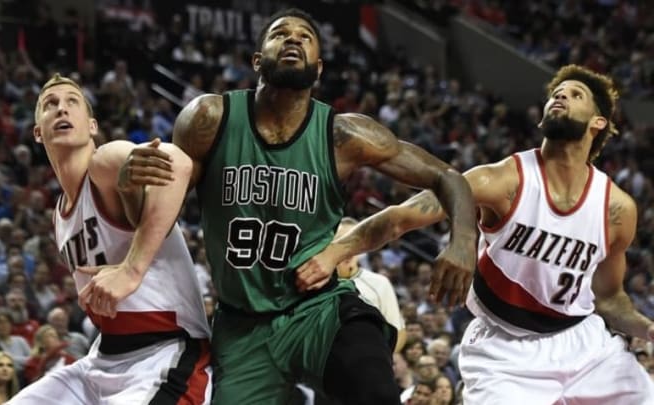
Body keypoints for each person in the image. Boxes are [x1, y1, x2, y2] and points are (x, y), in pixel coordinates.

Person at [112, 8, 477, 404]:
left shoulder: (343, 134)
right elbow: (153, 225)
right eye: (280, 34)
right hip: (241, 325)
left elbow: (448, 177)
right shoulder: (210, 118)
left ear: (318, 68)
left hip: (317, 310)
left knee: (373, 387)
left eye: (304, 36)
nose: (292, 39)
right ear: (257, 60)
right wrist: (131, 186)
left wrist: (462, 241)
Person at [300, 64, 654, 403]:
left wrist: (647, 329)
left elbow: (609, 298)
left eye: (575, 95)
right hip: (505, 352)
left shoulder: (617, 210)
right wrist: (334, 252)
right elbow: (400, 218)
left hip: (583, 345)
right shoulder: (502, 180)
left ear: (598, 122)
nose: (559, 97)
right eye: (555, 94)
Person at [8, 74, 211, 404]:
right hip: (102, 358)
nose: (62, 109)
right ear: (37, 132)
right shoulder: (59, 216)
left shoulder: (106, 162)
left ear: (91, 126)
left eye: (72, 102)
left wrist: (131, 269)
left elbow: (179, 162)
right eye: (51, 105)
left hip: (164, 352)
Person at [334, 217, 406, 352]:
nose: (348, 248)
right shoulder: (313, 281)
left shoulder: (379, 283)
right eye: (341, 241)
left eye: (354, 241)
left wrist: (377, 364)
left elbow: (398, 333)